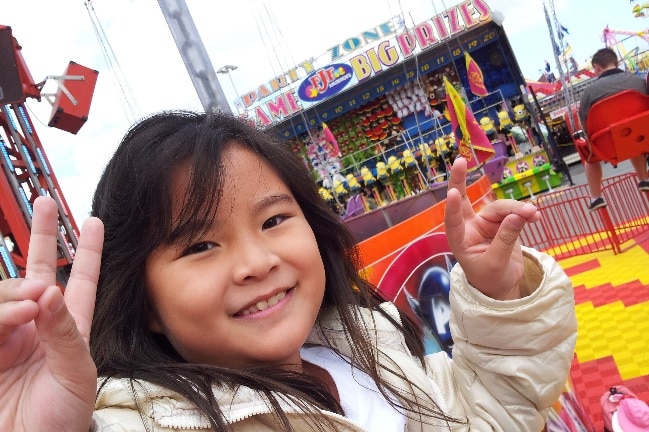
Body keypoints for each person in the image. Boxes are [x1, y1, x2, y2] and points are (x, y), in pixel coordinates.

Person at [0, 111, 577, 431]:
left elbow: (492, 414)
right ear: (143, 300)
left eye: (274, 220)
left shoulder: (368, 341)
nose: (257, 262)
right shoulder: (150, 418)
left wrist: (499, 294)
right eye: (200, 246)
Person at [578, 47, 649, 211]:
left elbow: (586, 127)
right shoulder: (638, 82)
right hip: (641, 137)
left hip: (606, 146)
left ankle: (596, 197)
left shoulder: (589, 92)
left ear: (596, 67)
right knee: (635, 137)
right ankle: (643, 178)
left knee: (589, 155)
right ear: (616, 63)